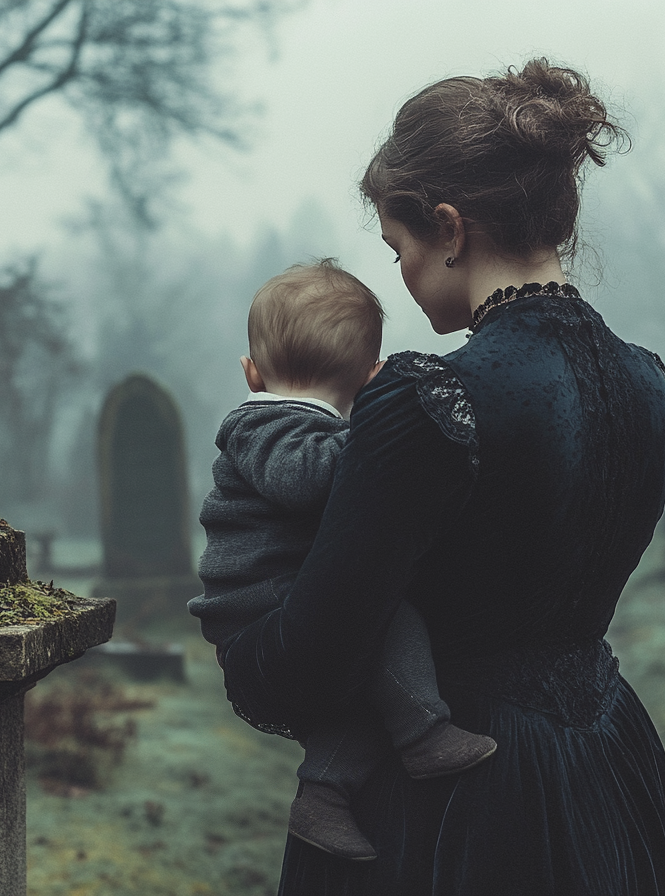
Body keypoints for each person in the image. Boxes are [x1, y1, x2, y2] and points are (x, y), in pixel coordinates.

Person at [218, 59, 665, 894]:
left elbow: (308, 662)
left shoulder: (428, 400)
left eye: (398, 248)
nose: (398, 275)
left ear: (449, 228)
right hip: (607, 769)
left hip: (447, 804)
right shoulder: (648, 385)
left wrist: (241, 616)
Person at [188, 260, 498, 862]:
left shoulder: (286, 417)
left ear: (251, 369)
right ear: (372, 376)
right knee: (392, 617)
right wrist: (380, 437)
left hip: (281, 592)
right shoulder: (261, 423)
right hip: (256, 600)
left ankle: (322, 797)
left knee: (358, 701)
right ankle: (424, 730)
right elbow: (301, 479)